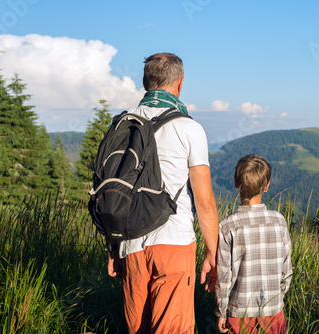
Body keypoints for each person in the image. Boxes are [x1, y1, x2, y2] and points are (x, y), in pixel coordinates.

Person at [105, 52, 219, 334]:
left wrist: (113, 246)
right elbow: (204, 201)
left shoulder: (122, 125)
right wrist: (212, 252)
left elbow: (112, 189)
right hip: (174, 242)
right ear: (180, 84)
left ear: (145, 82)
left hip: (130, 243)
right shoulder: (189, 128)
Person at [215, 154, 292, 334]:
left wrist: (221, 312)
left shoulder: (227, 226)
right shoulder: (279, 221)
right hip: (273, 309)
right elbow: (286, 270)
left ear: (236, 182)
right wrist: (278, 295)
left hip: (239, 311)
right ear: (266, 186)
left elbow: (224, 277)